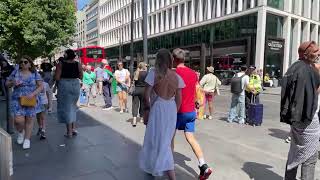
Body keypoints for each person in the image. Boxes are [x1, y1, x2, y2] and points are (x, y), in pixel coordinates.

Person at [139, 49, 184, 180]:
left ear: (158, 60)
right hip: (171, 109)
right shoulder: (176, 76)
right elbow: (179, 98)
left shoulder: (154, 74)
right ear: (170, 60)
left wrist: (147, 109)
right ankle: (157, 167)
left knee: (155, 139)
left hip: (158, 108)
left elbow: (146, 94)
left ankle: (170, 175)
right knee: (166, 140)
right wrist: (174, 111)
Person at [281, 41, 320, 180]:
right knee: (310, 157)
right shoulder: (307, 70)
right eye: (315, 52)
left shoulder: (293, 68)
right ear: (305, 54)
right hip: (307, 120)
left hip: (295, 119)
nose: (318, 54)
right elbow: (312, 94)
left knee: (295, 153)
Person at [172, 48, 213, 179]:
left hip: (177, 111)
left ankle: (168, 165)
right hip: (190, 112)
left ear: (174, 59)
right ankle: (203, 165)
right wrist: (197, 103)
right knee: (190, 138)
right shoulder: (193, 73)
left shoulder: (173, 73)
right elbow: (197, 90)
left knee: (170, 138)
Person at [6, 56, 43, 149]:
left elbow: (41, 86)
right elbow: (7, 84)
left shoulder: (35, 74)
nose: (23, 63)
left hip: (31, 99)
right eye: (21, 62)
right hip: (17, 99)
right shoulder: (15, 73)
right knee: (18, 120)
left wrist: (33, 94)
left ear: (30, 64)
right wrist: (13, 83)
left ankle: (27, 139)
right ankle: (20, 132)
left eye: (25, 62)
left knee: (30, 119)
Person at [55, 49, 83, 138]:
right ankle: (73, 129)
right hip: (75, 84)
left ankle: (69, 132)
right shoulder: (77, 64)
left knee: (66, 108)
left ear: (66, 55)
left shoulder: (61, 64)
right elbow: (81, 75)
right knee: (73, 106)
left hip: (64, 85)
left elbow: (57, 77)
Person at [131, 62, 148, 127]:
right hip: (144, 90)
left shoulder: (136, 72)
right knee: (142, 104)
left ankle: (134, 120)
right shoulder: (146, 73)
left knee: (135, 104)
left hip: (136, 90)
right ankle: (141, 118)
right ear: (144, 66)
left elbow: (133, 82)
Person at [36, 72, 50, 140]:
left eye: (40, 77)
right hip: (36, 103)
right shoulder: (34, 84)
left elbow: (48, 94)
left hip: (44, 102)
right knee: (38, 117)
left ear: (43, 77)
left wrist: (49, 104)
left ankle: (43, 130)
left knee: (43, 117)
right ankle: (40, 127)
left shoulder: (45, 84)